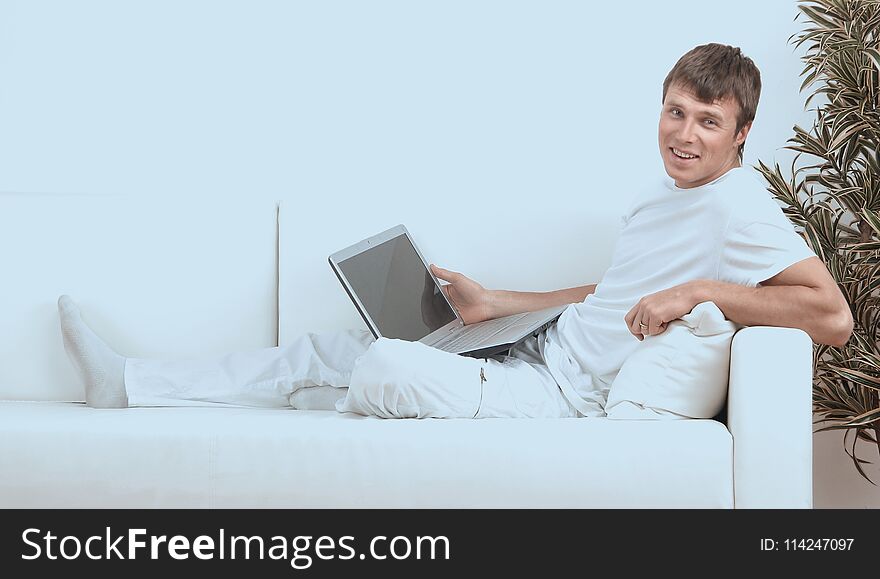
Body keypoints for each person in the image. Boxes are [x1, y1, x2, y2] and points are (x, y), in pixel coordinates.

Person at [58, 43, 853, 418]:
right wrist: (494, 303)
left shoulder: (739, 207)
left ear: (742, 133)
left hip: (558, 396)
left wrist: (701, 292)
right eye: (675, 111)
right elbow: (610, 293)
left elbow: (833, 317)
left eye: (707, 122)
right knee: (330, 350)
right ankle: (129, 383)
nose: (684, 134)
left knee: (378, 365)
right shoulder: (661, 193)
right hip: (538, 346)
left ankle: (159, 392)